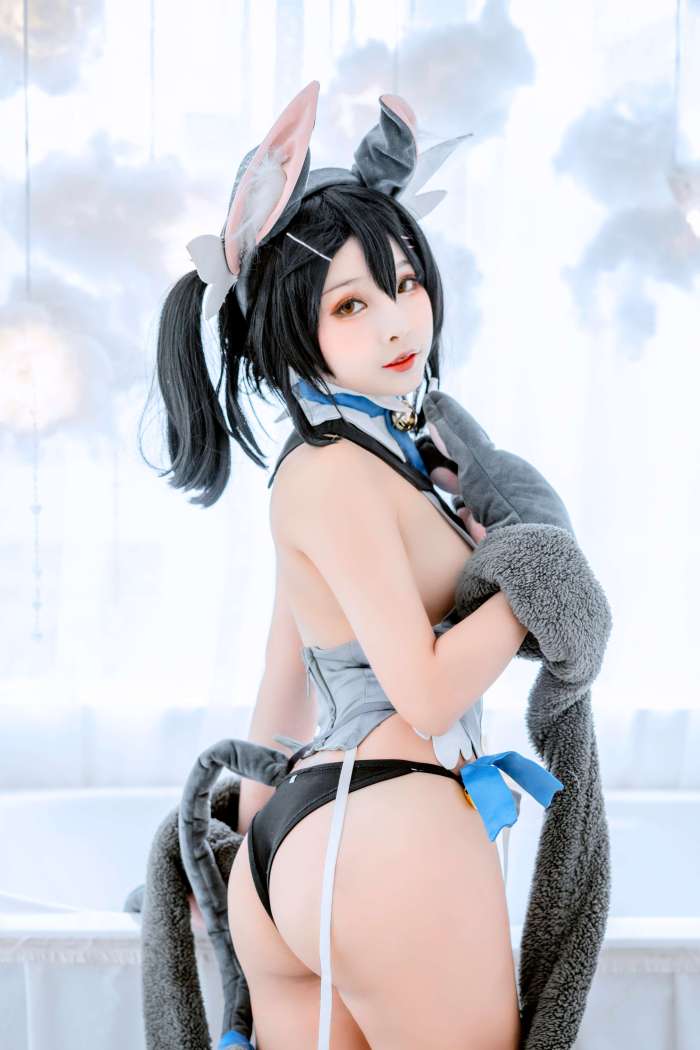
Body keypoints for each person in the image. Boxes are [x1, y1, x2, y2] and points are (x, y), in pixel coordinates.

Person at [142, 83, 537, 1050]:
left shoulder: (345, 467)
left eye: (405, 284)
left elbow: (284, 683)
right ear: (292, 326)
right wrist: (535, 582)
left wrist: (253, 852)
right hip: (390, 831)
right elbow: (428, 694)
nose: (399, 323)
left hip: (296, 851)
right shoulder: (338, 473)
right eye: (352, 303)